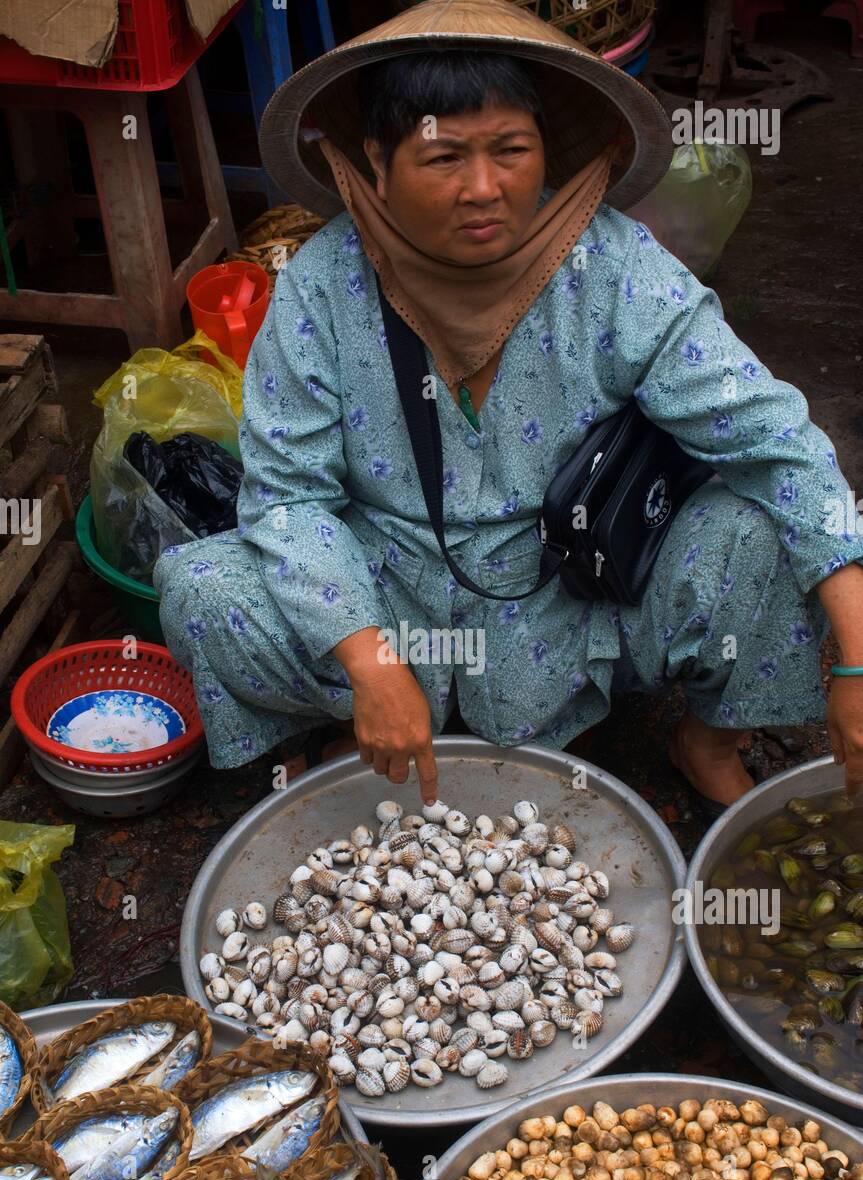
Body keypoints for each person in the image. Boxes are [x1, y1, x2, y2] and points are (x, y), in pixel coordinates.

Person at [154, 0, 863, 815]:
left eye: (510, 151)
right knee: (204, 587)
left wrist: (852, 660)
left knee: (759, 527)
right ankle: (369, 720)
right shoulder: (321, 285)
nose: (483, 188)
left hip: (572, 583)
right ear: (375, 164)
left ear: (544, 152)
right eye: (444, 156)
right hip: (388, 578)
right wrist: (372, 663)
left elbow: (771, 439)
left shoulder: (613, 266)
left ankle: (704, 743)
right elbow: (287, 497)